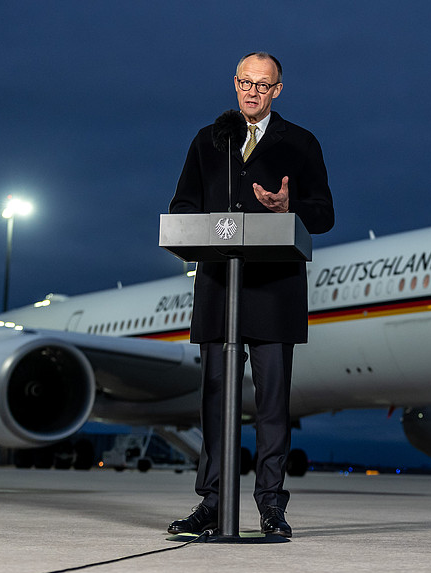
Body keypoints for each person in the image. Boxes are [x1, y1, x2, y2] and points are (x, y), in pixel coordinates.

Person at [167, 52, 335, 538]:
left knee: (271, 407)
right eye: (245, 82)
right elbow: (182, 206)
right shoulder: (208, 140)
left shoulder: (300, 143)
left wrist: (290, 206)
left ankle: (270, 508)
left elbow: (324, 214)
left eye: (263, 85)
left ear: (278, 89)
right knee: (215, 402)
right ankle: (212, 503)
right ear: (234, 84)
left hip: (273, 292)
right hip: (221, 289)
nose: (252, 92)